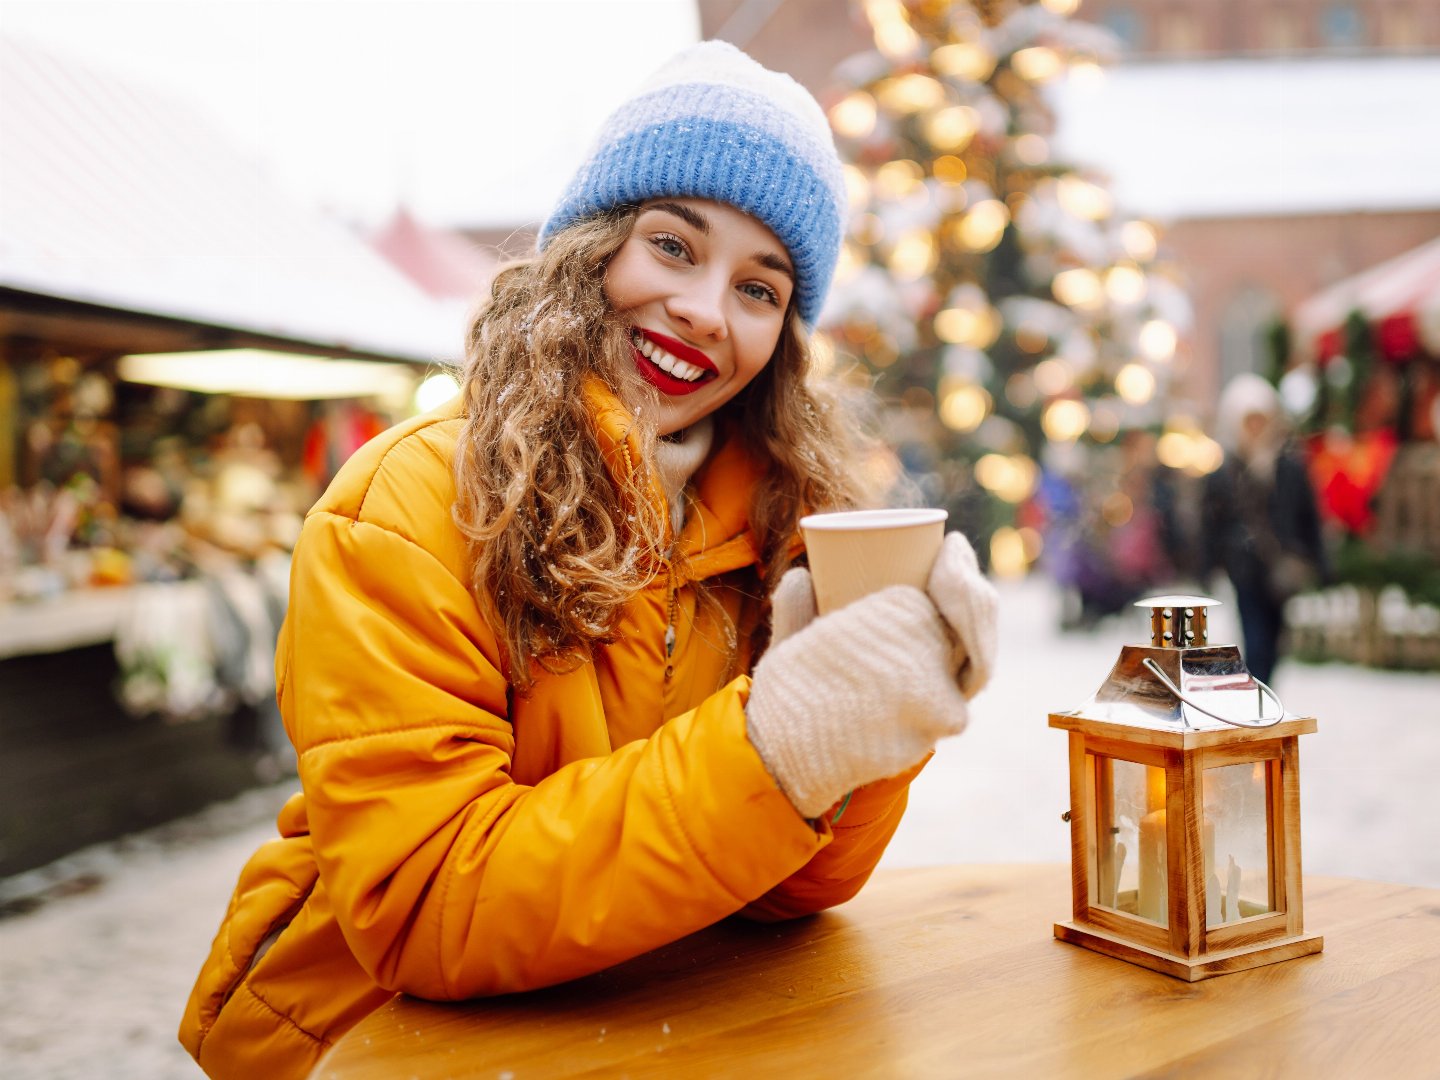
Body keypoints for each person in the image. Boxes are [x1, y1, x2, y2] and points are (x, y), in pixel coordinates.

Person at [178, 42, 998, 1080]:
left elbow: (792, 893)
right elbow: (425, 904)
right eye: (673, 245)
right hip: (372, 1042)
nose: (706, 309)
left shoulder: (780, 521)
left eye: (760, 287)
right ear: (588, 251)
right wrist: (772, 749)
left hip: (633, 1029)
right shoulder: (409, 506)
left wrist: (870, 739)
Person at [1202, 373, 1326, 685]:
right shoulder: (1226, 472)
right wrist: (1210, 564)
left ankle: (1264, 691)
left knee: (1274, 640)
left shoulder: (1288, 466)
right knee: (1254, 637)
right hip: (1244, 567)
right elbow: (1211, 523)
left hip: (1281, 565)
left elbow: (1307, 515)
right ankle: (1257, 692)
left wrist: (1318, 560)